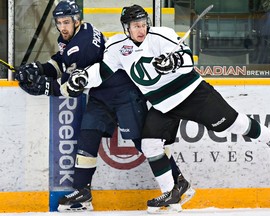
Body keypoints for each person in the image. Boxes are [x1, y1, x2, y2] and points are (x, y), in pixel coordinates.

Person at [74, 4, 270, 212]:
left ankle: (269, 138)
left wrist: (173, 61)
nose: (141, 29)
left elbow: (186, 58)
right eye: (135, 26)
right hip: (163, 105)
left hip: (191, 94)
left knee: (233, 124)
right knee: (149, 144)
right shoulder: (117, 46)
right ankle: (171, 192)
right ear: (126, 28)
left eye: (143, 24)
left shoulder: (161, 35)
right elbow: (102, 71)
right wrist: (84, 78)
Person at [14, 0, 192, 212]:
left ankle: (178, 180)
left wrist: (46, 87)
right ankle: (83, 192)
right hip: (100, 95)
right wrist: (37, 68)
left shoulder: (83, 44)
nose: (62, 27)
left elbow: (73, 84)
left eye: (66, 22)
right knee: (87, 136)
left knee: (143, 142)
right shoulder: (79, 32)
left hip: (124, 92)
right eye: (59, 22)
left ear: (76, 20)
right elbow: (61, 61)